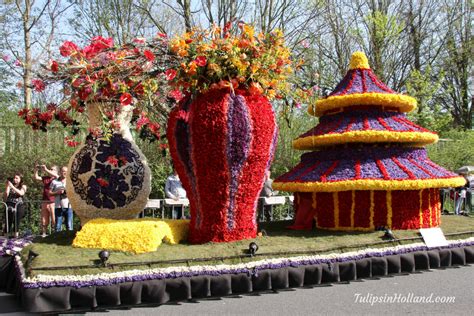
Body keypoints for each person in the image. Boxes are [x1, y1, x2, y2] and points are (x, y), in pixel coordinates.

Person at [34, 164, 58, 237]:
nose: (50, 170)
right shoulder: (46, 178)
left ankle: (55, 233)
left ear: (56, 171)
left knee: (54, 217)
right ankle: (44, 233)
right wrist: (36, 170)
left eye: (52, 169)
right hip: (45, 200)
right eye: (50, 169)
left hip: (53, 201)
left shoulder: (57, 178)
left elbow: (56, 176)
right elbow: (36, 177)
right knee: (44, 217)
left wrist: (46, 169)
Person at [2, 173, 27, 237]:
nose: (15, 179)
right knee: (8, 221)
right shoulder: (10, 186)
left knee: (16, 222)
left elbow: (21, 193)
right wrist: (7, 188)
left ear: (20, 179)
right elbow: (5, 196)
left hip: (19, 205)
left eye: (17, 178)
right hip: (9, 204)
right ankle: (5, 237)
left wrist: (12, 187)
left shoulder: (23, 186)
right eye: (14, 178)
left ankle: (15, 237)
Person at [50, 166, 73, 231]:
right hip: (58, 206)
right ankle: (57, 240)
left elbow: (75, 193)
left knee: (69, 226)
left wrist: (68, 192)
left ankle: (69, 240)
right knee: (57, 226)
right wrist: (58, 192)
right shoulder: (54, 182)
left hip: (69, 206)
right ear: (60, 172)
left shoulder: (71, 181)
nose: (65, 173)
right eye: (63, 171)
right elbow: (49, 193)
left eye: (66, 171)